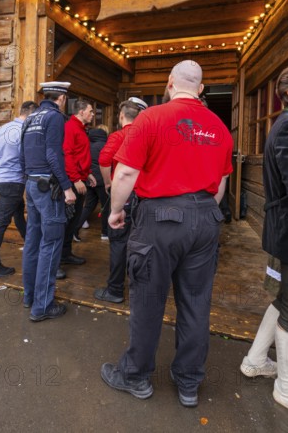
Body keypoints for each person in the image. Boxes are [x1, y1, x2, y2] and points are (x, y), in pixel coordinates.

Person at [100, 60, 233, 407]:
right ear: (201, 89)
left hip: (159, 218)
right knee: (196, 301)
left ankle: (135, 376)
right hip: (205, 217)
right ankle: (189, 383)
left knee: (147, 299)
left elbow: (126, 173)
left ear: (170, 83)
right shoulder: (219, 126)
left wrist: (115, 211)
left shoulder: (151, 118)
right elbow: (220, 185)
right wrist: (201, 212)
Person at [240, 67, 288, 409]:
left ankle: (256, 360)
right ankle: (285, 388)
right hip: (286, 229)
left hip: (282, 227)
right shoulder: (286, 129)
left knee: (282, 298)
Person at [20, 82, 76, 322]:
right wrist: (66, 187)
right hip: (48, 186)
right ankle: (43, 306)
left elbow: (21, 156)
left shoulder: (31, 118)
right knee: (51, 244)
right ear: (61, 98)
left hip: (32, 184)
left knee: (33, 241)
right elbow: (54, 154)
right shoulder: (54, 117)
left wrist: (28, 181)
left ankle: (30, 297)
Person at [94, 98, 148, 304]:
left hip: (125, 196)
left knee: (118, 242)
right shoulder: (149, 136)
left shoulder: (118, 135)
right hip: (146, 198)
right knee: (143, 243)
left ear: (122, 115)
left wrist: (109, 183)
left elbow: (104, 159)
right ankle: (141, 289)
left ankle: (115, 290)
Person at [0, 101, 38, 278]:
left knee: (19, 215)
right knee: (1, 222)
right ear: (31, 115)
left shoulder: (3, 128)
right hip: (12, 180)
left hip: (0, 177)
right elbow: (25, 158)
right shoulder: (24, 131)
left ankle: (32, 249)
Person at [60, 99, 97, 266]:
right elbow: (67, 154)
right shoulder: (70, 127)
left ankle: (66, 254)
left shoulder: (82, 129)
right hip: (73, 181)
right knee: (67, 221)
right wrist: (75, 179)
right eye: (90, 111)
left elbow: (80, 154)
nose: (93, 114)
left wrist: (88, 173)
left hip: (81, 177)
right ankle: (60, 257)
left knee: (74, 220)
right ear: (81, 112)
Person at [75, 125, 110, 242]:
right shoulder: (105, 145)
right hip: (102, 181)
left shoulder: (87, 145)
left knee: (88, 206)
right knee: (106, 207)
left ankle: (75, 229)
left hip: (89, 180)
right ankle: (105, 232)